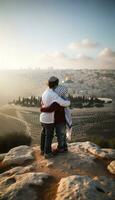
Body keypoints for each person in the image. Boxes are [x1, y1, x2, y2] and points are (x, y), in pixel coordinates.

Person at [40, 76, 70, 158]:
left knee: (44, 134)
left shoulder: (45, 92)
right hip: (49, 119)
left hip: (42, 118)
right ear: (56, 85)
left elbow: (43, 104)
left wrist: (42, 108)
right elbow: (63, 104)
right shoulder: (54, 95)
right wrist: (67, 101)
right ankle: (47, 153)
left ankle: (42, 150)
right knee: (49, 136)